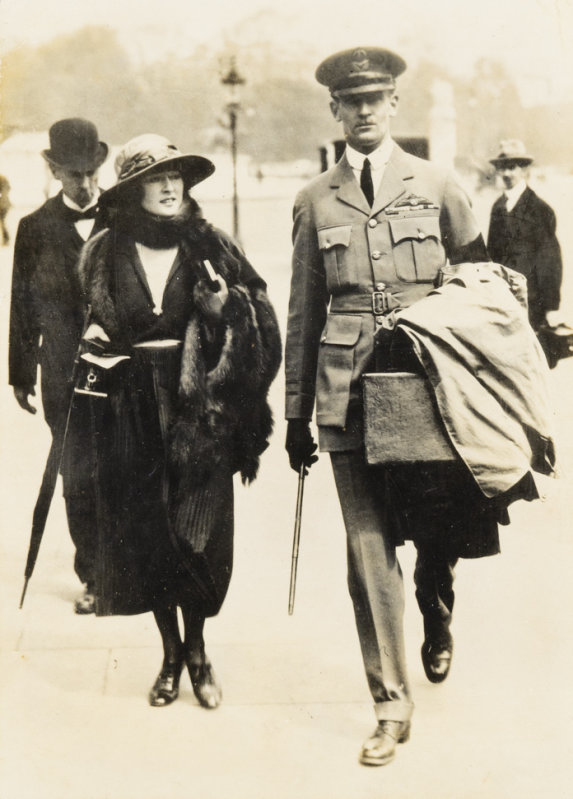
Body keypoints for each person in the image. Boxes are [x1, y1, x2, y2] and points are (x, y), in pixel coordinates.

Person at [284, 46, 503, 767]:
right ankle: (389, 702)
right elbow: (302, 310)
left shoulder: (438, 185)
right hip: (345, 393)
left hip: (424, 385)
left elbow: (480, 294)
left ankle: (435, 606)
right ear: (335, 111)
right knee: (366, 550)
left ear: (395, 104)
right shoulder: (314, 199)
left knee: (434, 532)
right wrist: (293, 412)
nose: (365, 109)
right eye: (352, 101)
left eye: (377, 97)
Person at [75, 134, 281, 709]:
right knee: (149, 534)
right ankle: (170, 654)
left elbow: (261, 321)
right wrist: (95, 338)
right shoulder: (105, 250)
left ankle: (198, 650)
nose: (168, 188)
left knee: (202, 536)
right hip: (131, 408)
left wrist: (225, 312)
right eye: (154, 179)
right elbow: (95, 321)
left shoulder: (211, 244)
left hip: (201, 412)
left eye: (176, 177)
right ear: (132, 190)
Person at [9, 118, 109, 613]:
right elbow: (23, 306)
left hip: (123, 369)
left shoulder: (127, 217)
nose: (86, 184)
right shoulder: (34, 228)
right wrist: (21, 372)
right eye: (73, 174)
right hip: (63, 371)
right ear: (52, 169)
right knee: (78, 472)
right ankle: (92, 574)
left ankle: (127, 569)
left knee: (126, 466)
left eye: (92, 172)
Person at [487, 139, 563, 334]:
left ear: (524, 170)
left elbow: (550, 261)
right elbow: (492, 255)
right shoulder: (497, 208)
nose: (506, 174)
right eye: (502, 168)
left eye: (511, 168)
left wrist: (550, 307)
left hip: (532, 301)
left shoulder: (540, 209)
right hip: (503, 300)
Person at [0, 173, 11, 245]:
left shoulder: (1, 179)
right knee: (2, 221)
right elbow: (9, 188)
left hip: (2, 205)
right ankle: (6, 238)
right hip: (5, 204)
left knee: (2, 221)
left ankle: (6, 238)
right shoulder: (3, 178)